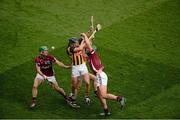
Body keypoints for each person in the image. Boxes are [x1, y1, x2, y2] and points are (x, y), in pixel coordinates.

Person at [81, 33, 126, 116]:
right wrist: (84, 40)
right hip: (99, 76)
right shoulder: (90, 57)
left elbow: (87, 45)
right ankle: (106, 111)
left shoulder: (93, 54)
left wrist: (85, 36)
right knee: (99, 95)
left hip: (101, 76)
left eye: (88, 49)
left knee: (103, 95)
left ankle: (120, 99)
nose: (87, 49)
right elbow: (83, 53)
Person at [66, 38, 90, 105]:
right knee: (74, 85)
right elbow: (80, 48)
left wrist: (87, 38)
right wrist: (83, 43)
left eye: (77, 42)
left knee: (87, 82)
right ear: (72, 44)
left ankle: (87, 96)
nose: (77, 43)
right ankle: (73, 96)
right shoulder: (70, 49)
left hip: (82, 66)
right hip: (75, 68)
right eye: (75, 42)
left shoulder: (78, 45)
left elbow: (86, 43)